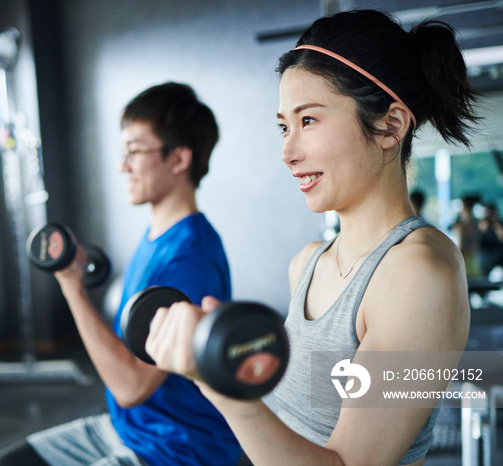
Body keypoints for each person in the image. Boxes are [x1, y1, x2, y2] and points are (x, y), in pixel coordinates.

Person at [145, 9, 477, 466]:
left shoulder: (420, 274)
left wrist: (217, 383)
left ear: (391, 126)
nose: (287, 152)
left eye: (308, 121)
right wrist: (224, 350)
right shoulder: (307, 263)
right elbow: (296, 426)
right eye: (284, 125)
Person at [0, 82, 241, 465]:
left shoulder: (190, 258)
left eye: (135, 152)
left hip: (176, 448)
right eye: (123, 152)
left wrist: (71, 284)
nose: (123, 165)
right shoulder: (158, 236)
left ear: (178, 160)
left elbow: (131, 385)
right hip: (126, 428)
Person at [451, 193, 483, 278]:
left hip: (465, 260)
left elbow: (461, 246)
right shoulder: (478, 222)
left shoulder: (464, 226)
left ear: (464, 206)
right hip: (475, 259)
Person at [479, 202, 503, 277]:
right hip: (486, 261)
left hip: (499, 259)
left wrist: (495, 223)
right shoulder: (483, 224)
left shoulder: (499, 225)